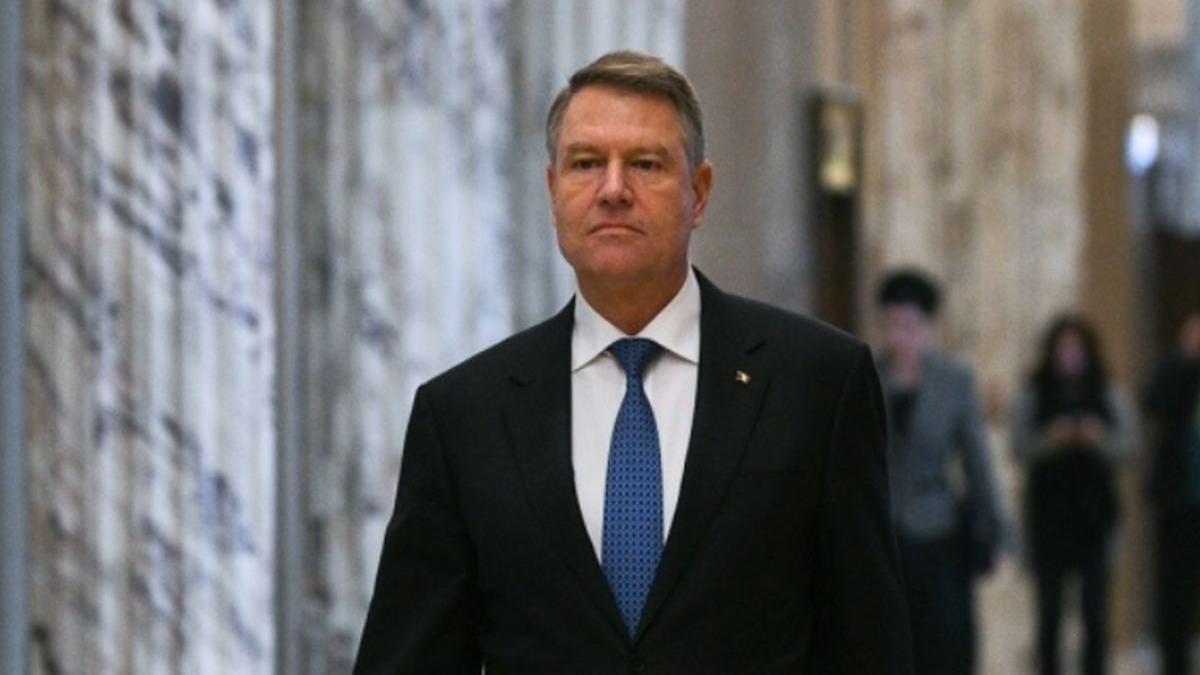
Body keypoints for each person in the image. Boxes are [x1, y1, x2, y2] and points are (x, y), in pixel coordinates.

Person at [352, 51, 912, 673]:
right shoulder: (465, 415)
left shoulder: (817, 384)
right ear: (553, 191)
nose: (613, 190)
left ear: (699, 193)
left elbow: (869, 648)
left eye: (645, 164)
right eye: (586, 163)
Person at [874, 269, 1007, 675]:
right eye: (892, 325)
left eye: (910, 326)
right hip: (882, 533)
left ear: (929, 327)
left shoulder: (953, 382)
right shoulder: (867, 375)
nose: (901, 337)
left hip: (938, 530)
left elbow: (977, 461)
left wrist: (996, 527)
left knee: (943, 644)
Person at [1011, 315, 1137, 675]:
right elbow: (1020, 446)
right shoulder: (1035, 394)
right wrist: (1053, 439)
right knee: (1049, 614)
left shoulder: (1108, 393)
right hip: (1048, 520)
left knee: (1095, 614)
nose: (1069, 356)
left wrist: (1097, 438)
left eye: (1076, 348)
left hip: (1094, 520)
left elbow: (1128, 447)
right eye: (1063, 348)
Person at [1143, 310, 1200, 675]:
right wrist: (1185, 356)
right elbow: (1153, 401)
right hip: (1179, 499)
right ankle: (1174, 664)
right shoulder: (1175, 369)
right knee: (1175, 589)